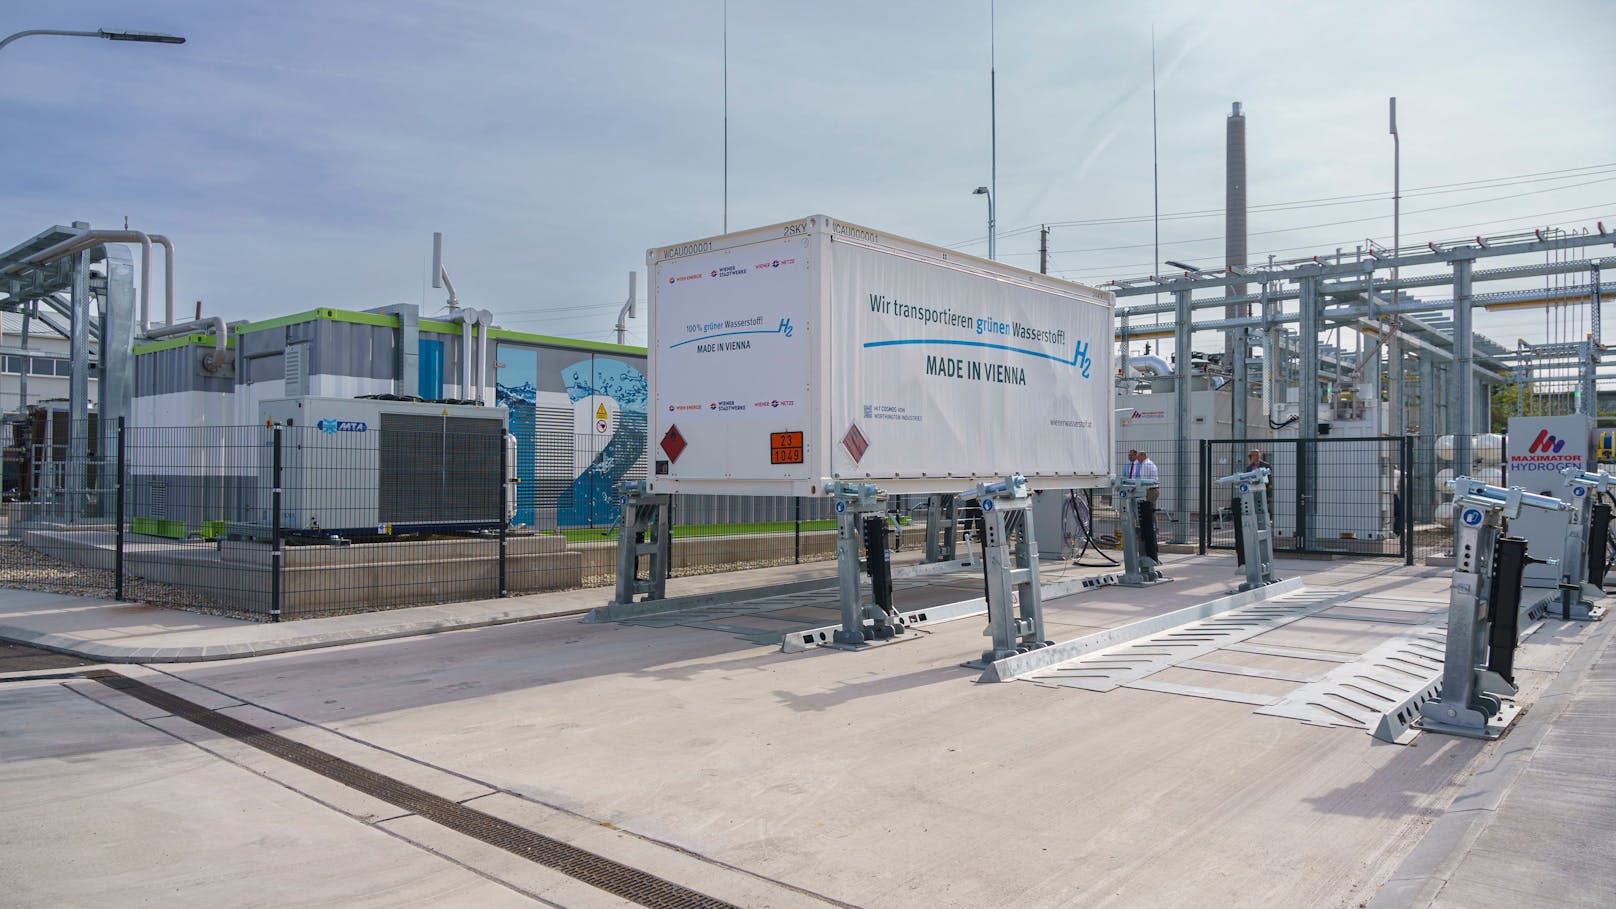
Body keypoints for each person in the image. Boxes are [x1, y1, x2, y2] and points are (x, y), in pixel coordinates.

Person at [1233, 448, 1272, 569]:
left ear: (1259, 455)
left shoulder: (1265, 466)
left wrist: (1270, 494)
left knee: (1263, 510)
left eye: (1255, 455)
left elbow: (1270, 481)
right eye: (1251, 455)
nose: (1253, 457)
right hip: (1251, 493)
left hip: (1262, 491)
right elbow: (1245, 479)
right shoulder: (1248, 468)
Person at [1133, 450, 1160, 563]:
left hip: (1150, 490)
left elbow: (1143, 480)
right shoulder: (1144, 464)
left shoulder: (1146, 465)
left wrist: (1136, 486)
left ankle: (1152, 529)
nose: (1137, 458)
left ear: (1143, 455)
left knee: (1149, 512)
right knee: (1149, 511)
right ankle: (1150, 528)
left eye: (1138, 456)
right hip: (1149, 489)